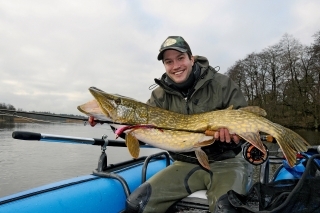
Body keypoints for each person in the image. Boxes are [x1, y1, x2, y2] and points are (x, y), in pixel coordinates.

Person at [90, 36, 250, 212]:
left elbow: (246, 123)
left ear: (191, 58)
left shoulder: (222, 84)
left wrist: (236, 137)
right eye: (169, 62)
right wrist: (108, 121)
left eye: (180, 58)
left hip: (227, 162)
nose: (176, 66)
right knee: (137, 205)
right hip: (184, 163)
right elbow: (144, 136)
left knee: (226, 209)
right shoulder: (158, 97)